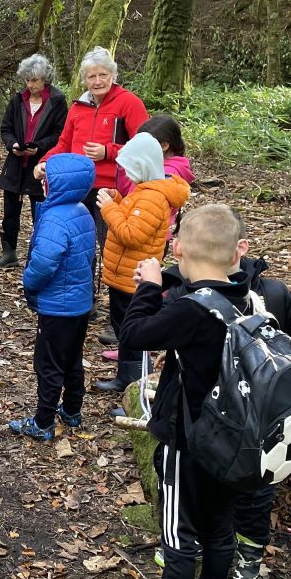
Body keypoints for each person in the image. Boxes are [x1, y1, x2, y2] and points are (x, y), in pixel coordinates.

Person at [160, 209, 291, 579]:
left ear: (242, 248)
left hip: (259, 422)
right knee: (203, 491)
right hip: (205, 421)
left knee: (253, 495)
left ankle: (249, 558)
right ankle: (192, 550)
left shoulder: (275, 295)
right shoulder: (186, 289)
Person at [116, 204, 247, 579]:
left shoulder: (191, 311)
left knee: (178, 532)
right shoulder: (247, 297)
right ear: (237, 255)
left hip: (188, 441)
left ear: (177, 248)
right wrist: (171, 279)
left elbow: (135, 335)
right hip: (233, 443)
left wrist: (151, 287)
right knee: (219, 526)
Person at [94, 133, 191, 394]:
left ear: (143, 166)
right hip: (123, 274)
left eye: (129, 168)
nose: (126, 174)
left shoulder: (152, 197)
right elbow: (131, 218)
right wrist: (116, 200)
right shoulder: (143, 191)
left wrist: (107, 209)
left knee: (133, 331)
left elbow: (132, 234)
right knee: (124, 329)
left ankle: (136, 384)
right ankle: (126, 378)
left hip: (132, 278)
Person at [8, 154, 96, 441]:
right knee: (72, 358)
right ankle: (72, 409)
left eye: (48, 179)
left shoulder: (55, 219)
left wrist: (28, 282)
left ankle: (43, 421)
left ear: (59, 185)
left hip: (58, 307)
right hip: (79, 304)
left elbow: (44, 263)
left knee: (48, 364)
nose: (43, 183)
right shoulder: (82, 210)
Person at [34, 47, 149, 254]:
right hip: (77, 187)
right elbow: (64, 144)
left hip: (111, 189)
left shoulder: (129, 103)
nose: (98, 81)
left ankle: (118, 286)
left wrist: (108, 152)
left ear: (113, 75)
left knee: (112, 247)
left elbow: (146, 146)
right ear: (84, 80)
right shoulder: (78, 107)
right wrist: (44, 162)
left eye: (103, 75)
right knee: (79, 248)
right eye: (91, 76)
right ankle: (83, 286)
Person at [0, 54, 68, 269]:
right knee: (10, 214)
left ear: (45, 78)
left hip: (41, 166)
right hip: (16, 165)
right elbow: (6, 128)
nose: (30, 84)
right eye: (27, 79)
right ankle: (9, 254)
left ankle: (39, 256)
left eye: (34, 80)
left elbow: (60, 134)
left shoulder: (57, 101)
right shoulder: (17, 99)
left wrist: (40, 147)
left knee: (41, 214)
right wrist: (13, 145)